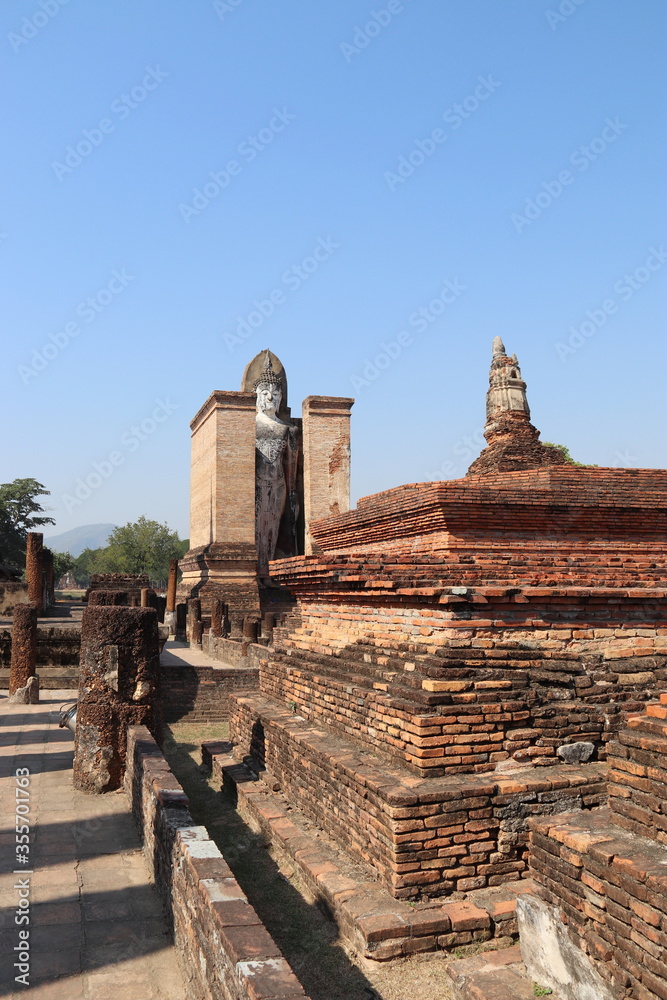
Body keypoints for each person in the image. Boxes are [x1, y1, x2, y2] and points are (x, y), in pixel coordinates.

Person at [253, 356, 299, 583]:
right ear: (257, 396)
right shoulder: (250, 426)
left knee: (273, 529)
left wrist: (292, 494)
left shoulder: (288, 429)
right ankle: (256, 571)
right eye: (265, 393)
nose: (271, 397)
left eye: (276, 393)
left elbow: (291, 465)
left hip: (279, 485)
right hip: (257, 485)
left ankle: (268, 572)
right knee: (256, 530)